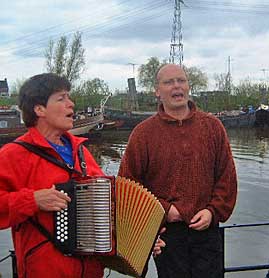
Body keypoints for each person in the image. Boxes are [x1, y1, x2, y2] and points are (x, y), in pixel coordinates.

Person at [0, 73, 165, 278]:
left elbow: (109, 208)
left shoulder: (81, 152)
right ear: (39, 109)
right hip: (45, 270)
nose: (71, 104)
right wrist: (32, 200)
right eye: (62, 98)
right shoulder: (15, 155)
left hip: (91, 271)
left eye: (69, 97)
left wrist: (144, 238)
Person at [118, 64, 237, 278]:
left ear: (188, 86)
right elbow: (127, 186)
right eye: (169, 82)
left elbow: (226, 178)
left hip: (207, 230)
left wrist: (212, 211)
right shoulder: (143, 134)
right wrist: (163, 210)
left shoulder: (213, 127)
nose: (177, 87)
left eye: (181, 81)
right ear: (157, 91)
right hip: (165, 234)